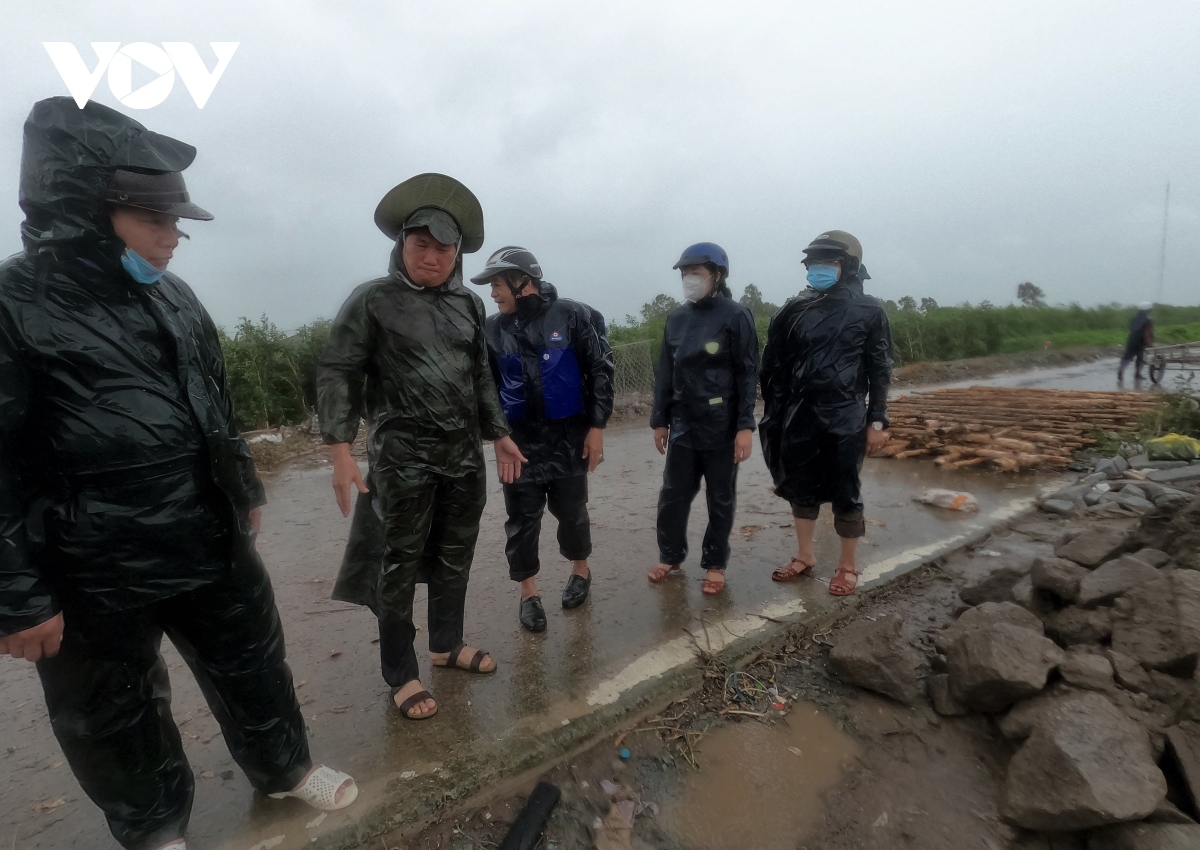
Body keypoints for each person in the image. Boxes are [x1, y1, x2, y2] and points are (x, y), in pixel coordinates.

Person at [0, 98, 355, 850]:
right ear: (86, 209)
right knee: (114, 708)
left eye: (176, 225)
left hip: (207, 536)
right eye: (155, 222)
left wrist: (245, 488)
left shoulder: (175, 298)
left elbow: (213, 404)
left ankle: (285, 769)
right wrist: (17, 595)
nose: (172, 240)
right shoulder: (13, 304)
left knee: (255, 663)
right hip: (91, 564)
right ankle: (156, 828)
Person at [317, 174, 528, 721]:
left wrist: (498, 431)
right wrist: (340, 448)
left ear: (457, 254)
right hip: (402, 459)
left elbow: (481, 373)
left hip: (462, 457)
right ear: (402, 245)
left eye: (443, 248)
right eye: (421, 246)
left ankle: (446, 644)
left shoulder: (467, 305)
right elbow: (339, 371)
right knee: (398, 563)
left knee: (455, 554)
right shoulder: (373, 301)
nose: (431, 257)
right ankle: (402, 672)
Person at [472, 246, 615, 632]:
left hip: (569, 438)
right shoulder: (491, 329)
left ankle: (581, 571)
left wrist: (597, 428)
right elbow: (485, 387)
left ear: (523, 282)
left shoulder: (570, 315)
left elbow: (600, 369)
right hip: (518, 443)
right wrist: (497, 434)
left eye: (498, 284)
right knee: (520, 520)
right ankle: (529, 594)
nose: (493, 293)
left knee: (572, 512)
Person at [759, 230, 892, 597]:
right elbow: (776, 365)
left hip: (846, 413)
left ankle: (847, 567)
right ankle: (804, 556)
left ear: (846, 266)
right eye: (814, 262)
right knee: (800, 487)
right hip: (800, 412)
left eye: (828, 262)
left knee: (846, 489)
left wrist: (877, 419)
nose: (819, 269)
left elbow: (880, 368)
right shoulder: (796, 309)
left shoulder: (870, 310)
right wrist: (776, 414)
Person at [647, 243, 759, 595]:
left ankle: (714, 564)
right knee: (673, 495)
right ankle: (671, 555)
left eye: (696, 272)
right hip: (683, 424)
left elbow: (747, 374)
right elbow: (666, 372)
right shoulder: (677, 318)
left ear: (718, 275)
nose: (688, 279)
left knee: (720, 498)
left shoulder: (736, 315)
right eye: (684, 273)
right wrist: (660, 419)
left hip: (722, 424)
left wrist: (745, 426)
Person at [1118, 302, 1155, 382]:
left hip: (1131, 340)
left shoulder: (1133, 318)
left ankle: (1121, 370)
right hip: (1140, 341)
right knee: (1140, 358)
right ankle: (1137, 374)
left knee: (1127, 357)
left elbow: (1133, 329)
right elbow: (1147, 333)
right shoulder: (1148, 320)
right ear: (1148, 310)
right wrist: (1148, 343)